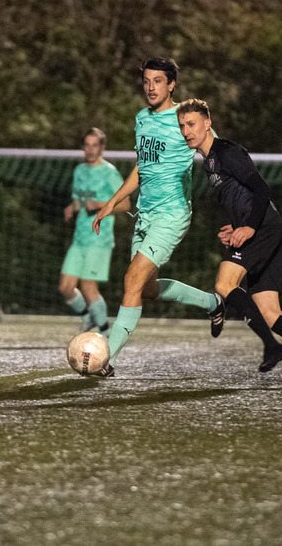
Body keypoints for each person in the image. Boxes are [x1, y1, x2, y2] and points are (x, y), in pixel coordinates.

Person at [176, 99, 282, 386]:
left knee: (224, 283)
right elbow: (242, 197)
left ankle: (272, 347)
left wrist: (249, 226)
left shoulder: (226, 151)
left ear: (208, 123)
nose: (186, 131)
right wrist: (235, 226)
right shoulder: (208, 161)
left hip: (264, 228)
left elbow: (261, 188)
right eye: (182, 126)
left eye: (191, 124)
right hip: (264, 228)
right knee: (269, 313)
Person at [91, 57, 225, 376]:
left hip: (172, 215)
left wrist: (236, 197)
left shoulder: (185, 120)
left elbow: (219, 153)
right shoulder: (142, 119)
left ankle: (106, 358)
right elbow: (143, 168)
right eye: (146, 81)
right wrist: (112, 202)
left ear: (171, 85)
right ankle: (213, 304)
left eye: (158, 81)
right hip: (145, 215)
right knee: (146, 290)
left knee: (131, 280)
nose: (151, 87)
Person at [60, 128, 129, 333]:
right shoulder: (79, 170)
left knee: (88, 288)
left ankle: (106, 333)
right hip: (79, 238)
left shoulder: (109, 172)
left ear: (102, 148)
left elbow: (125, 205)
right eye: (87, 145)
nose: (90, 149)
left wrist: (100, 204)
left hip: (99, 239)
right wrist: (72, 207)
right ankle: (89, 318)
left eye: (95, 145)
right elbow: (79, 199)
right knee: (66, 288)